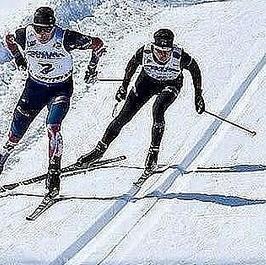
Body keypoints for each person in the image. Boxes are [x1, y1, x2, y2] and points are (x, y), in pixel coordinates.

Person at [0, 7, 105, 197]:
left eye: (47, 29)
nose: (42, 34)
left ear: (53, 27)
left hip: (60, 89)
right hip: (35, 88)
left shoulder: (66, 38)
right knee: (15, 134)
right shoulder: (25, 35)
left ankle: (54, 173)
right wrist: (19, 59)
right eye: (38, 29)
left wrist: (92, 68)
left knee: (53, 127)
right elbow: (9, 40)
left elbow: (97, 44)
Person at [74, 29, 205, 174]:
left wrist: (198, 95)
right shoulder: (145, 51)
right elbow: (131, 65)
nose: (163, 55)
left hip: (171, 84)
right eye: (159, 51)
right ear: (153, 47)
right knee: (123, 116)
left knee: (158, 109)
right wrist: (124, 86)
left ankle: (153, 154)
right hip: (147, 82)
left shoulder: (179, 56)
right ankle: (99, 150)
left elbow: (195, 70)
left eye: (167, 52)